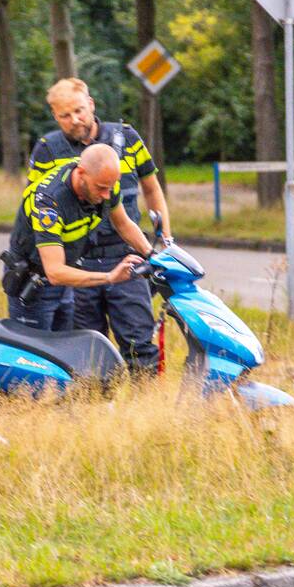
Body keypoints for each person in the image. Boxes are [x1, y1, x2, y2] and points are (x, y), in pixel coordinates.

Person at [27, 78, 173, 372]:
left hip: (126, 257)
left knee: (139, 345)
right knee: (87, 354)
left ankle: (146, 401)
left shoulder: (127, 138)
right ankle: (95, 400)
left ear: (91, 105)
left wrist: (165, 243)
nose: (75, 119)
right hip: (79, 263)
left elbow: (152, 188)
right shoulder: (47, 150)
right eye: (65, 115)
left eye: (79, 110)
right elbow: (36, 210)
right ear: (55, 116)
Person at [4, 143, 154, 331]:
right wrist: (110, 277)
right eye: (101, 188)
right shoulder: (49, 203)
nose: (106, 195)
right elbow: (55, 272)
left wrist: (152, 254)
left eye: (110, 188)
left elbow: (123, 224)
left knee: (66, 346)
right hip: (33, 283)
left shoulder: (105, 182)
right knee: (34, 349)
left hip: (67, 279)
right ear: (81, 173)